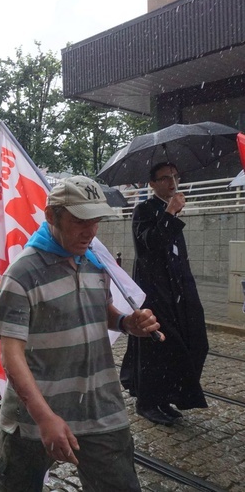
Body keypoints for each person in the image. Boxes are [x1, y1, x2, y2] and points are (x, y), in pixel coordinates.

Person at [0, 175, 163, 492]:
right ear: (51, 216)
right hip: (32, 420)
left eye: (96, 220)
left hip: (100, 410)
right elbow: (10, 355)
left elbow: (101, 310)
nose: (91, 230)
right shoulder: (23, 273)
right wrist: (44, 418)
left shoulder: (94, 261)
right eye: (81, 220)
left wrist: (125, 323)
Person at [120, 162, 209, 426]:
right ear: (152, 183)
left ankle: (169, 394)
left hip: (180, 286)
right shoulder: (144, 210)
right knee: (158, 344)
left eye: (175, 177)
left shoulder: (170, 208)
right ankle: (148, 401)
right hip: (154, 289)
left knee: (196, 340)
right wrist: (169, 213)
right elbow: (151, 245)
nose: (172, 182)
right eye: (166, 178)